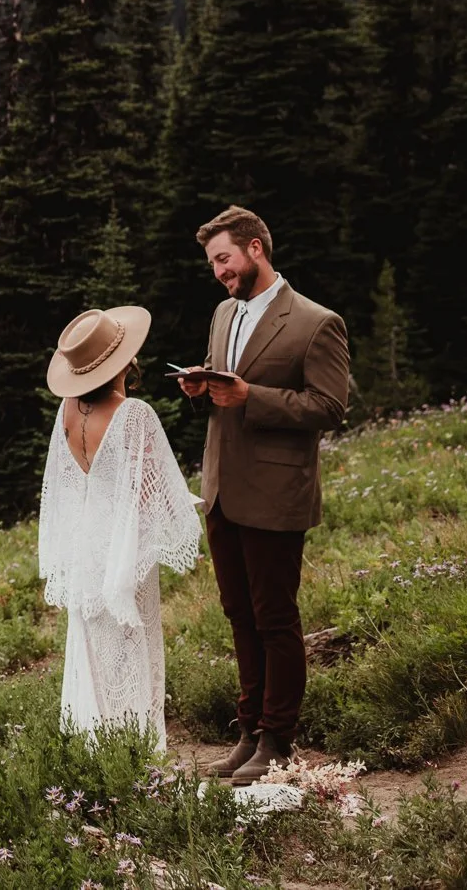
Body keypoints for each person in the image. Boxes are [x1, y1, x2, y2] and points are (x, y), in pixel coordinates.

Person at [176, 206, 349, 786]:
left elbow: (330, 408)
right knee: (238, 616)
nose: (219, 272)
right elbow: (230, 391)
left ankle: (279, 739)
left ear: (255, 248)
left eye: (223, 258)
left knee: (275, 618)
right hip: (222, 489)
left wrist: (252, 395)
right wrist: (203, 387)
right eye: (212, 264)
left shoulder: (316, 322)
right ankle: (248, 731)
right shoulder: (224, 313)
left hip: (276, 493)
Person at [38, 304, 201, 751]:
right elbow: (153, 494)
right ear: (125, 361)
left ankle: (100, 748)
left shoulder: (67, 411)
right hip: (123, 549)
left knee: (94, 650)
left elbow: (70, 484)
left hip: (87, 547)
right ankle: (137, 751)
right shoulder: (135, 414)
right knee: (135, 646)